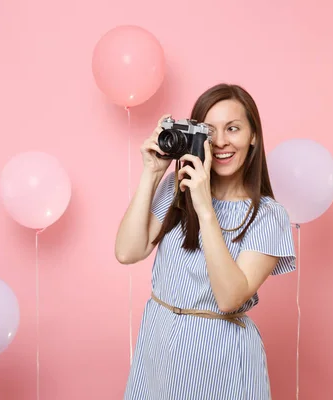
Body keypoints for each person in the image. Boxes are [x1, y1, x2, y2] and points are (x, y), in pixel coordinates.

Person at [115, 83, 296, 400]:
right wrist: (152, 173)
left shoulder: (268, 216)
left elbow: (229, 298)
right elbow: (127, 252)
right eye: (210, 132)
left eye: (234, 128)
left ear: (253, 136)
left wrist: (205, 207)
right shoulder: (177, 186)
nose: (222, 142)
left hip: (219, 358)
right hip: (160, 344)